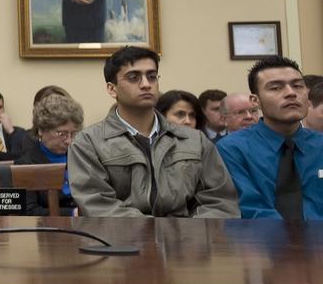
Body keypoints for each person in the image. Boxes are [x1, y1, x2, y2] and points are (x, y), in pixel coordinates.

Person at [67, 46, 239, 218]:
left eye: (152, 76)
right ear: (112, 89)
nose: (146, 84)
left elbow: (220, 202)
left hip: (189, 238)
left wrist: (189, 235)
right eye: (134, 78)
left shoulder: (194, 140)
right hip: (123, 240)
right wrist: (158, 234)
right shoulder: (88, 142)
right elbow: (98, 206)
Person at [217, 57, 321, 220]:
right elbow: (250, 209)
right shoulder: (233, 149)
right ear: (255, 100)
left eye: (297, 86)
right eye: (276, 88)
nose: (291, 93)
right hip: (263, 241)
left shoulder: (320, 145)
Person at [16, 93, 84, 216]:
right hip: (48, 231)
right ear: (41, 129)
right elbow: (29, 211)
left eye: (73, 133)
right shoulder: (25, 164)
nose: (69, 140)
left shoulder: (83, 157)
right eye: (62, 134)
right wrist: (72, 213)